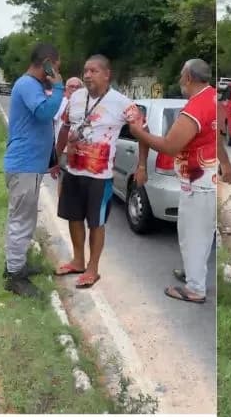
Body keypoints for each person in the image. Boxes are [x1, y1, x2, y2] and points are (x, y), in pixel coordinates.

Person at [53, 55, 148, 289]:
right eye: (85, 71)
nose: (87, 75)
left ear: (107, 74)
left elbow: (144, 133)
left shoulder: (122, 103)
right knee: (73, 217)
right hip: (73, 170)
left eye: (93, 71)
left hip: (100, 176)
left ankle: (93, 268)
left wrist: (142, 165)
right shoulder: (75, 97)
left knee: (95, 222)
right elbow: (65, 128)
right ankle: (78, 260)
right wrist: (55, 157)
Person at [128, 59, 217, 303]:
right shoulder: (212, 97)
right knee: (196, 232)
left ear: (188, 77)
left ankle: (195, 289)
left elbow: (169, 146)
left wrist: (139, 133)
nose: (179, 80)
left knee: (194, 234)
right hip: (203, 180)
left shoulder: (196, 107)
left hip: (200, 184)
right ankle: (192, 272)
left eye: (181, 76)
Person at [2, 43, 66, 297]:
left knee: (26, 218)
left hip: (30, 165)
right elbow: (44, 112)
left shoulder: (35, 86)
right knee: (20, 220)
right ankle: (14, 276)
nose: (56, 71)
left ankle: (16, 265)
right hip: (24, 165)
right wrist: (59, 84)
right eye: (55, 66)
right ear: (48, 62)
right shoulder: (28, 85)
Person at [54, 77, 83, 142]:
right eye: (71, 86)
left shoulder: (86, 105)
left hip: (78, 146)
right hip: (61, 144)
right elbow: (52, 123)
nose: (74, 89)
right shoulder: (59, 102)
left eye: (77, 87)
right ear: (66, 88)